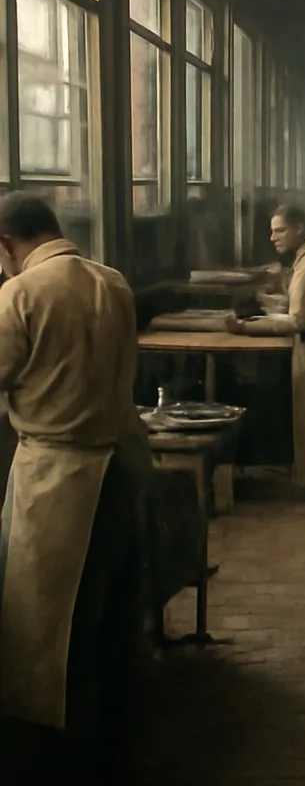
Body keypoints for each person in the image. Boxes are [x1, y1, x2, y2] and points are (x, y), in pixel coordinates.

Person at [0, 192, 152, 784]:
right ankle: (116, 753)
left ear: (7, 244)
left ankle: (54, 765)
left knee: (48, 638)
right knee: (113, 625)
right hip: (120, 468)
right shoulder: (112, 282)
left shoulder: (21, 294)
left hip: (58, 485)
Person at [227, 205, 305, 501]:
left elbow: (301, 321)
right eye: (272, 231)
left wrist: (245, 327)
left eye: (280, 230)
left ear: (301, 229)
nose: (273, 237)